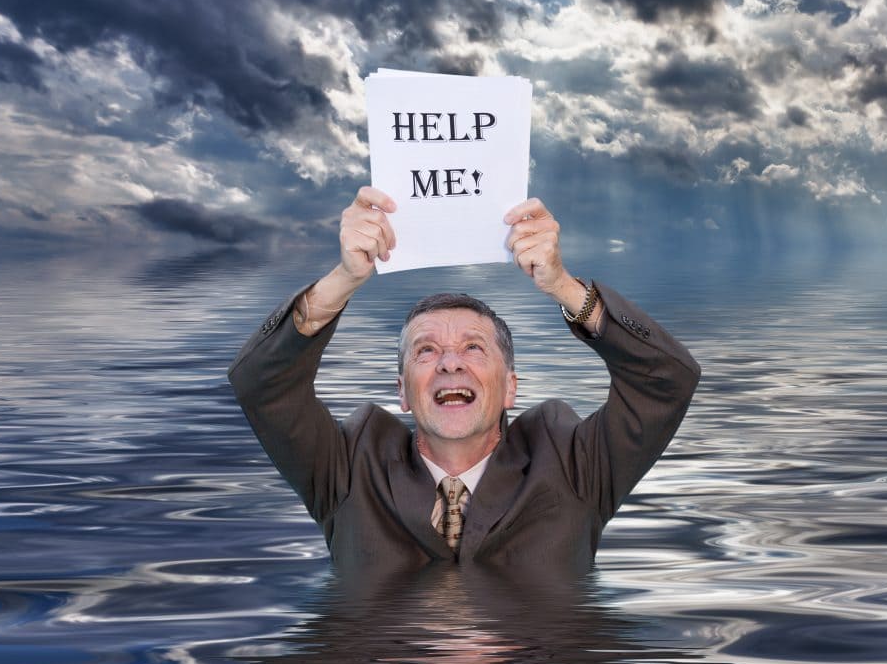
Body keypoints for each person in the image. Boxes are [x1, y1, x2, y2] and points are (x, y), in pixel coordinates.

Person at [228, 187, 700, 576]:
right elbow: (262, 383)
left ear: (511, 387)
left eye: (474, 347)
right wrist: (345, 278)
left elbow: (666, 380)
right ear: (403, 392)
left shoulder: (576, 464)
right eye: (426, 350)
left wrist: (564, 286)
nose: (450, 363)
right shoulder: (347, 468)